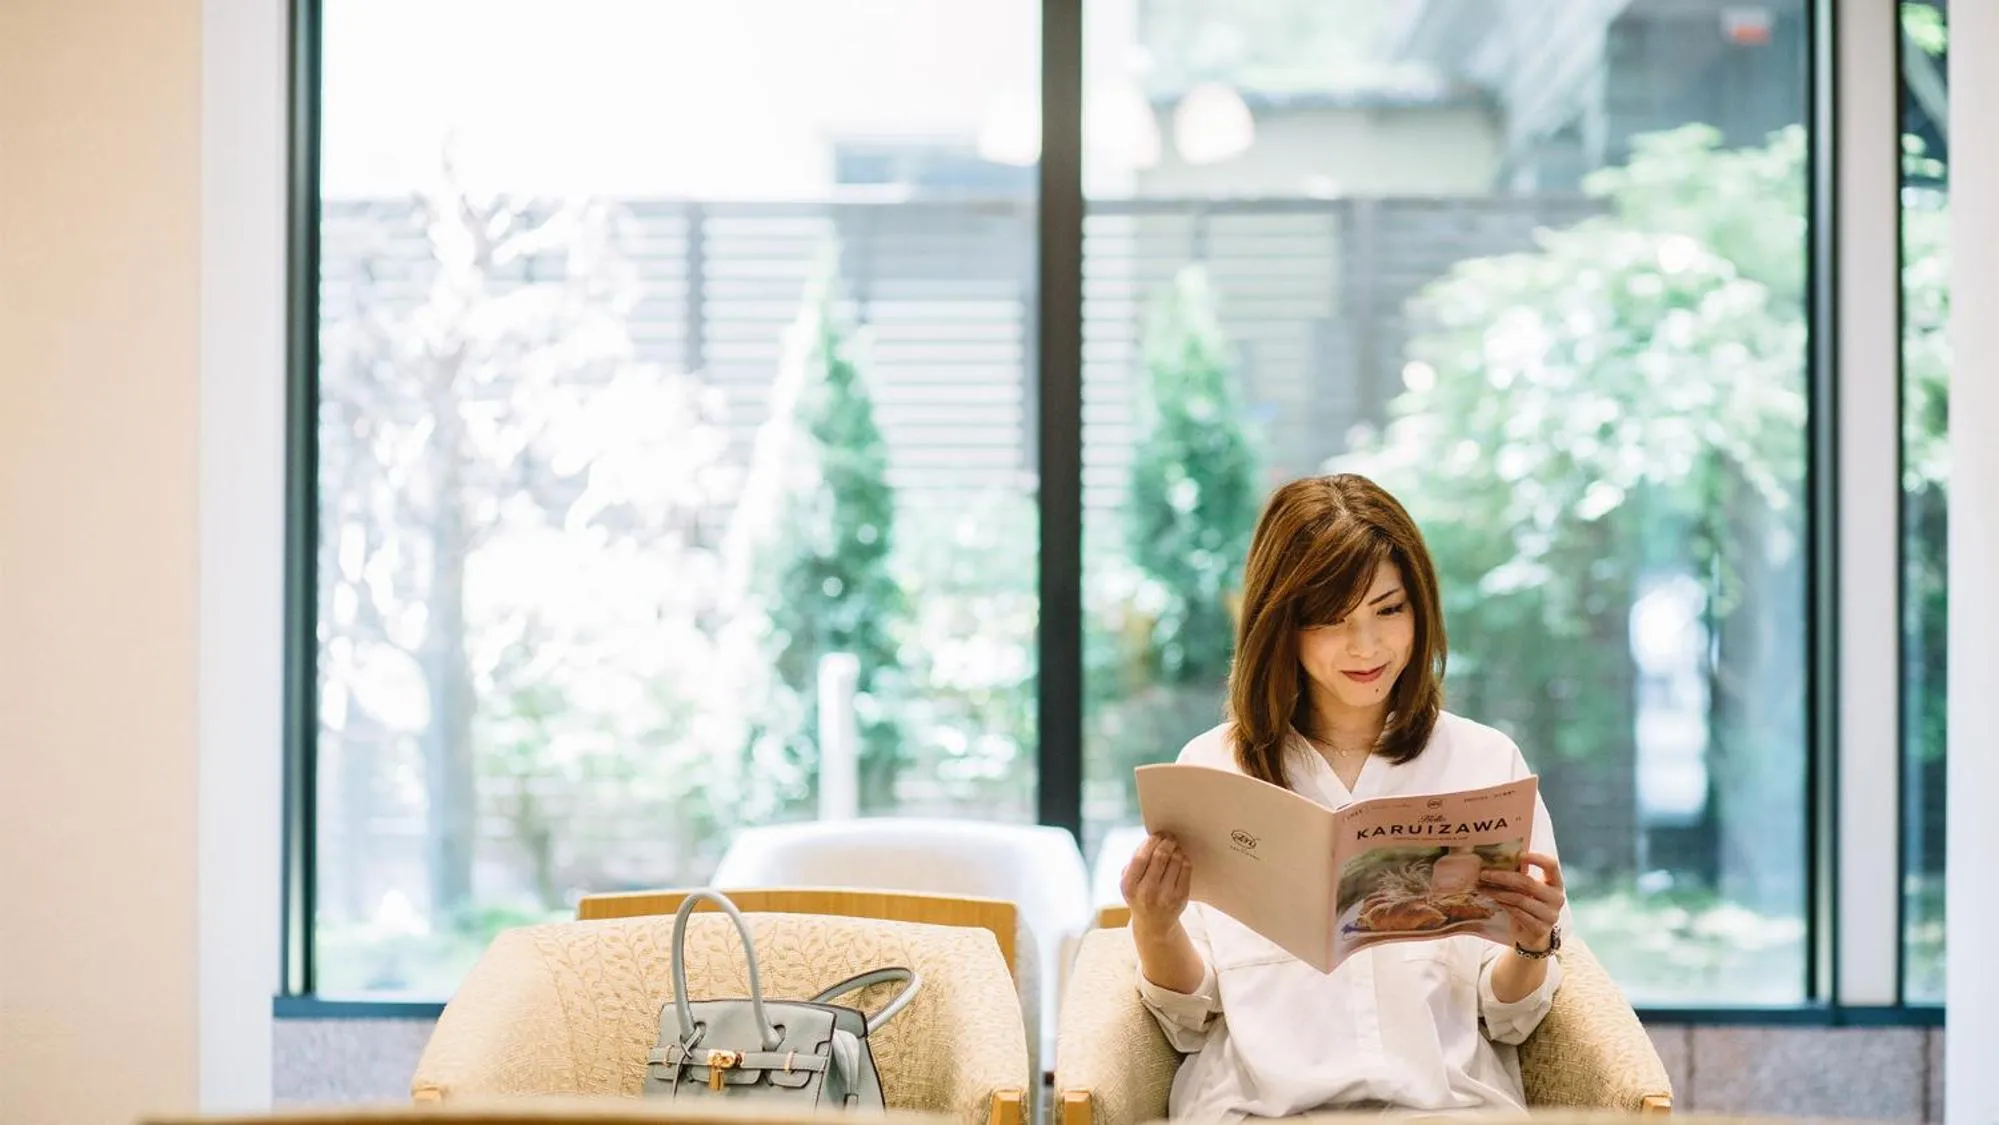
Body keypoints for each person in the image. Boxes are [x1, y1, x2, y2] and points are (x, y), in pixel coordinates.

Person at [1121, 473, 1571, 1121]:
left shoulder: (1483, 763)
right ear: (1283, 626)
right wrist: (1153, 924)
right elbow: (1187, 1017)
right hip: (1258, 1111)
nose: (1366, 646)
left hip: (1443, 1109)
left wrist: (1531, 942)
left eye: (1389, 610)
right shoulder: (1212, 769)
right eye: (1331, 620)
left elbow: (1508, 1017)